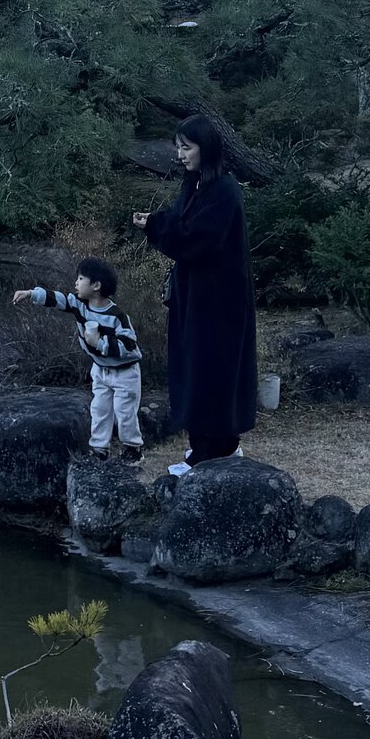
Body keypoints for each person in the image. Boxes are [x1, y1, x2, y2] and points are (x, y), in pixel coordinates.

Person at [133, 115, 256, 476]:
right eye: (179, 147)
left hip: (219, 301)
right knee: (196, 366)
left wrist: (157, 228)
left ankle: (214, 453)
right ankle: (204, 449)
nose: (181, 154)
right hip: (195, 296)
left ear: (207, 148)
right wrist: (154, 221)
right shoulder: (196, 184)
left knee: (213, 370)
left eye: (187, 147)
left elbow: (197, 240)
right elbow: (179, 221)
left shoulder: (225, 191)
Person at [12, 256, 143, 463]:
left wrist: (99, 342)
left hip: (124, 372)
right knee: (99, 408)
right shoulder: (79, 304)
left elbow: (129, 346)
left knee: (124, 411)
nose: (76, 283)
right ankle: (99, 449)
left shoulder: (117, 316)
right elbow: (58, 298)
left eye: (81, 278)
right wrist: (31, 294)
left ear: (97, 285)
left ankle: (133, 448)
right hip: (100, 369)